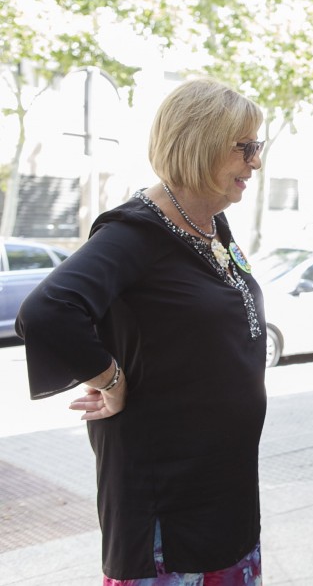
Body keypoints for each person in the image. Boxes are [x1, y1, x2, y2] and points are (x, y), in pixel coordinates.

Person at [17, 79, 267, 583]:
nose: (255, 162)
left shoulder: (209, 224)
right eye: (246, 148)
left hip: (223, 490)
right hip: (166, 503)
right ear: (199, 146)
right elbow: (47, 310)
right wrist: (110, 379)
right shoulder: (133, 233)